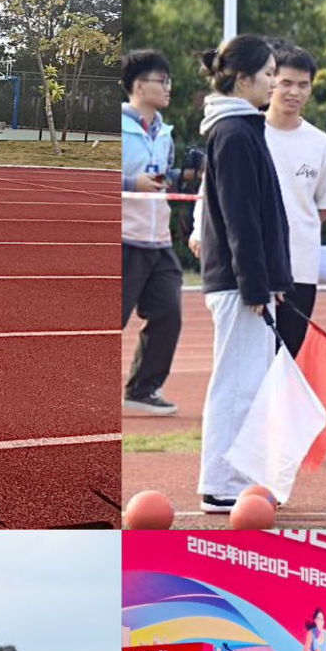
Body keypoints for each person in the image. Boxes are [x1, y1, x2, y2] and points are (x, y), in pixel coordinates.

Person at [194, 34, 292, 512]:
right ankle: (221, 483)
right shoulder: (233, 133)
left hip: (247, 282)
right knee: (235, 384)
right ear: (242, 77)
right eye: (269, 74)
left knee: (249, 384)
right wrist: (254, 283)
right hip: (237, 284)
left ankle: (240, 477)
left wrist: (271, 279)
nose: (275, 83)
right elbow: (241, 218)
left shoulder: (243, 128)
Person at [260, 44, 326, 357]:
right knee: (250, 358)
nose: (294, 92)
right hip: (255, 266)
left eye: (303, 84)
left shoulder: (320, 143)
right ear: (270, 81)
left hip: (301, 268)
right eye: (286, 83)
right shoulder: (246, 133)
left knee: (286, 357)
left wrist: (297, 225)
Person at [122, 49, 184, 416]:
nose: (168, 87)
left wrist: (184, 177)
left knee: (168, 314)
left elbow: (163, 175)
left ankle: (143, 388)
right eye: (162, 81)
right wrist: (132, 183)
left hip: (158, 239)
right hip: (123, 238)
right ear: (138, 86)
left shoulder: (165, 134)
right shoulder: (118, 129)